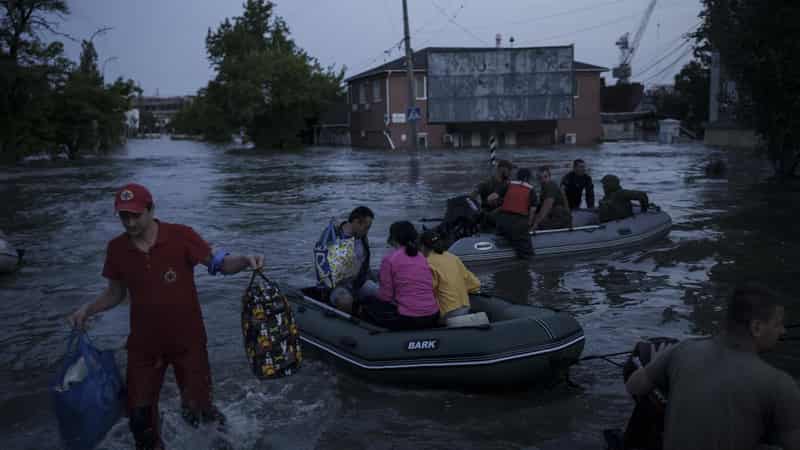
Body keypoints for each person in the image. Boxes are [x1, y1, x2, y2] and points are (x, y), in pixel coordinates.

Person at [67, 183, 263, 450]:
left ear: (151, 210)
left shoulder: (181, 236)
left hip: (188, 343)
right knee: (139, 420)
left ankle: (227, 441)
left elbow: (218, 263)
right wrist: (87, 309)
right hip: (144, 348)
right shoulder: (116, 249)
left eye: (136, 215)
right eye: (124, 216)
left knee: (198, 413)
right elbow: (115, 293)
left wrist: (245, 260)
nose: (130, 222)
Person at [626, 284, 800, 450]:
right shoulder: (780, 384)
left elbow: (633, 385)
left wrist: (656, 366)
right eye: (777, 324)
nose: (782, 330)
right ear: (756, 327)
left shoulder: (682, 350)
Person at [364, 221, 440, 330]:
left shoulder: (389, 259)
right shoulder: (421, 257)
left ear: (393, 238)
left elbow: (386, 296)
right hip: (433, 314)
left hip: (410, 318)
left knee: (369, 302)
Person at [313, 206, 377, 314]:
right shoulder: (332, 236)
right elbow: (322, 270)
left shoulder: (361, 236)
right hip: (336, 287)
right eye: (366, 227)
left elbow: (364, 265)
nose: (367, 231)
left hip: (358, 283)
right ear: (356, 222)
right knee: (345, 301)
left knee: (380, 292)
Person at [420, 230, 481, 324]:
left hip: (447, 313)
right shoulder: (453, 257)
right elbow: (474, 284)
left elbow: (428, 291)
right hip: (465, 307)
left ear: (423, 247)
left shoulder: (427, 263)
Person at [494, 168, 538, 259]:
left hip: (502, 222)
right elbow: (532, 210)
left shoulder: (508, 185)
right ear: (527, 179)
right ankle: (523, 270)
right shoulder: (531, 189)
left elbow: (491, 198)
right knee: (528, 255)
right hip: (518, 223)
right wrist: (529, 224)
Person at [472, 159, 513, 229]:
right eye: (509, 170)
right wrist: (478, 210)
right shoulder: (486, 183)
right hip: (488, 218)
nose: (510, 173)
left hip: (503, 218)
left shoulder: (509, 184)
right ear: (501, 169)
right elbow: (472, 196)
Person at [530, 166, 572, 231]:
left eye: (545, 177)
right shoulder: (544, 188)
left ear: (550, 177)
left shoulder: (550, 185)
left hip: (561, 218)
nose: (543, 180)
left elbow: (547, 206)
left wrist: (535, 223)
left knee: (537, 224)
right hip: (557, 216)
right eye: (540, 178)